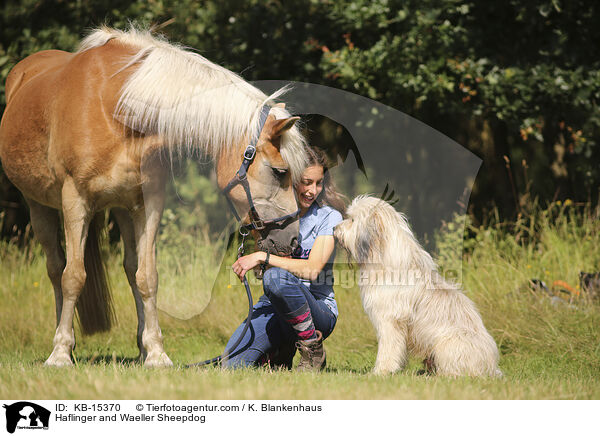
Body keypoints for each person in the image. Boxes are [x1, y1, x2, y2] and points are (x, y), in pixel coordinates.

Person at [222, 146, 345, 371]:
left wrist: (262, 257)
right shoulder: (275, 217)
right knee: (231, 366)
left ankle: (312, 350)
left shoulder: (329, 217)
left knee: (276, 278)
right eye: (306, 182)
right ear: (291, 180)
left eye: (318, 183)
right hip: (274, 307)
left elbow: (312, 269)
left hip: (318, 312)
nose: (312, 190)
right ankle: (280, 350)